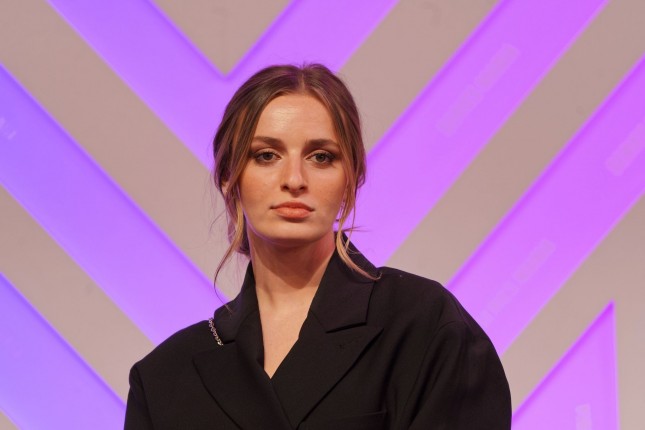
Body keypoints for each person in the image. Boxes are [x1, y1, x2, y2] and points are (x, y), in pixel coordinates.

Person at [124, 64, 511, 429]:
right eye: (266, 155)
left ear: (351, 178)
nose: (294, 179)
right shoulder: (164, 378)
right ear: (229, 177)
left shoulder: (423, 326)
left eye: (321, 157)